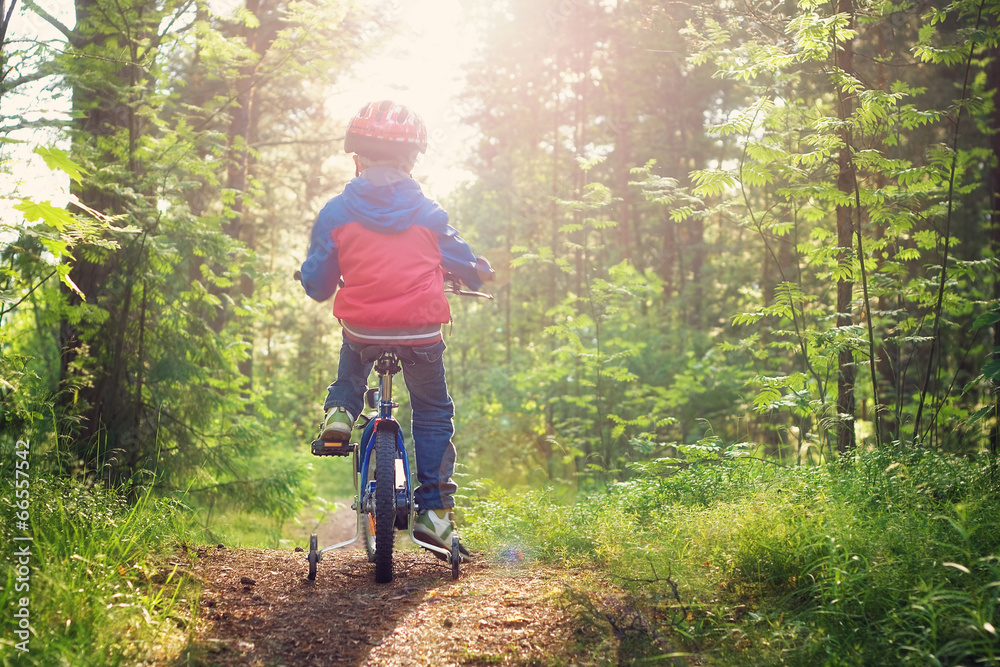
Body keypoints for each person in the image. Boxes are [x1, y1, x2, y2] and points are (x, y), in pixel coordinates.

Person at [298, 100, 493, 555]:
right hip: (421, 332)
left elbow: (318, 283)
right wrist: (478, 271)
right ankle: (434, 515)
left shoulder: (336, 212)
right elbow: (464, 263)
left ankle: (342, 413)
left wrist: (311, 276)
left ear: (357, 158)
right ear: (411, 161)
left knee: (354, 350)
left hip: (364, 329)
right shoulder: (430, 212)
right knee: (431, 410)